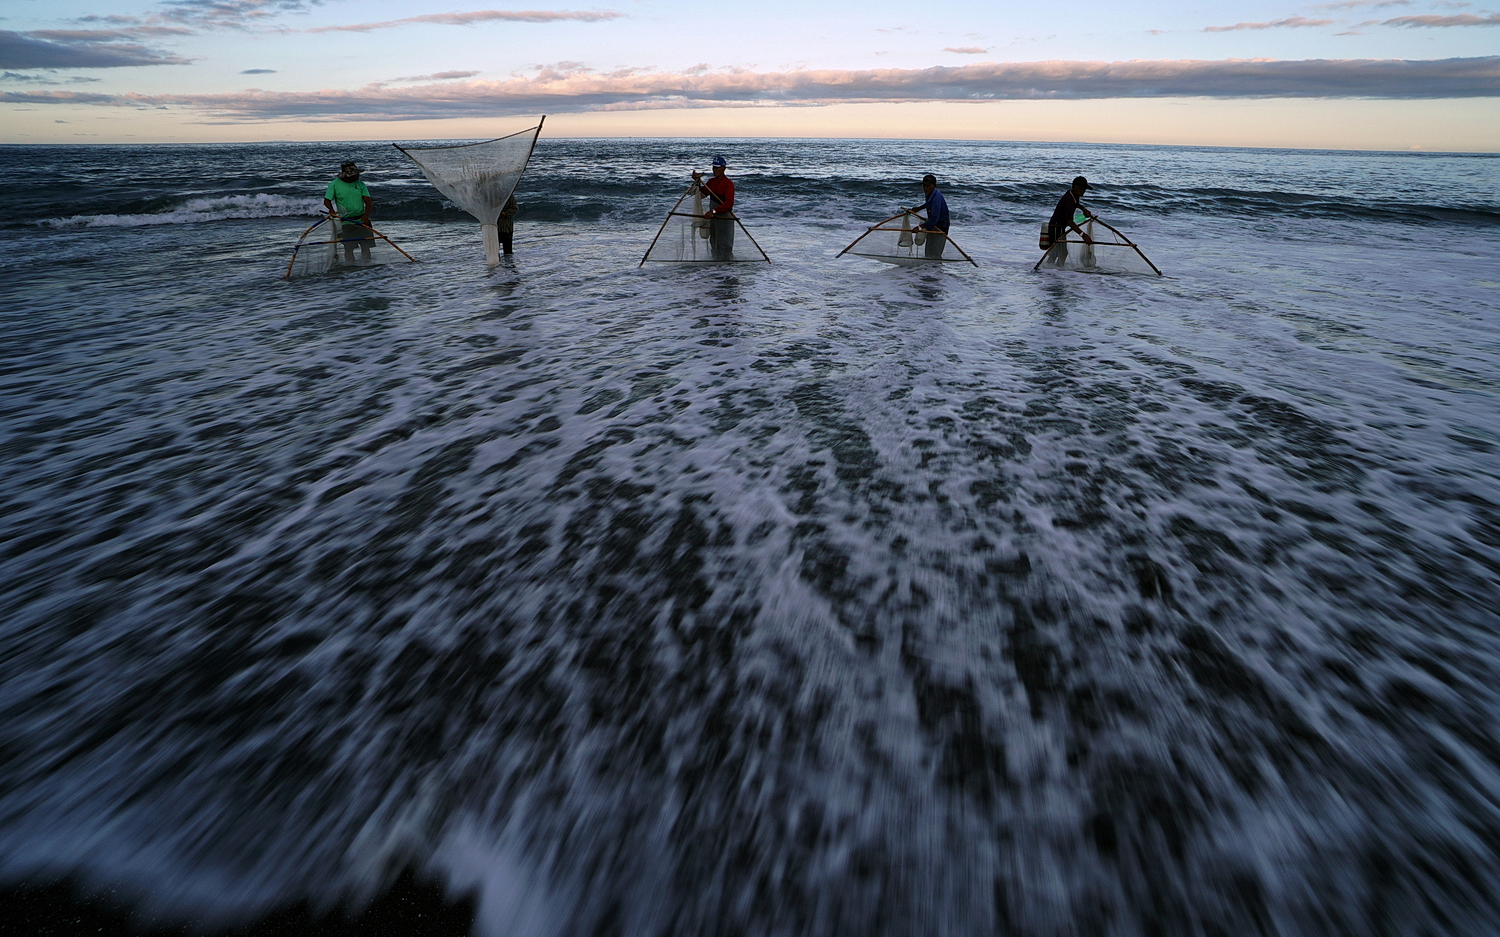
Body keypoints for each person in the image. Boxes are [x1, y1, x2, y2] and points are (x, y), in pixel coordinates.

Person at [323, 160, 374, 260]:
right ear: (348, 175)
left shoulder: (360, 184)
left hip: (362, 220)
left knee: (366, 246)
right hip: (346, 222)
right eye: (356, 174)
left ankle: (367, 267)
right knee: (349, 248)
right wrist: (331, 210)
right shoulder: (334, 184)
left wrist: (366, 216)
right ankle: (351, 269)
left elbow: (368, 202)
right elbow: (327, 201)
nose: (358, 176)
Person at [691, 156, 735, 261]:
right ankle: (715, 270)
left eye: (717, 167)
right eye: (714, 167)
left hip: (725, 219)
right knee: (714, 244)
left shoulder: (728, 184)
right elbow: (701, 195)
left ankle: (728, 270)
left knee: (724, 245)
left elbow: (729, 204)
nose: (714, 170)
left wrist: (713, 211)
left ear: (724, 168)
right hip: (714, 219)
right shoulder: (711, 182)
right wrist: (697, 182)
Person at [1046, 175, 1094, 265]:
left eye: (1084, 189)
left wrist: (1084, 209)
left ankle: (1050, 270)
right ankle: (1055, 270)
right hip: (1056, 227)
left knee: (1056, 252)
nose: (1083, 192)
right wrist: (1083, 235)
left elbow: (1076, 204)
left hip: (1058, 227)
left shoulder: (1073, 195)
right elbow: (1069, 221)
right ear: (1075, 187)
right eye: (1082, 189)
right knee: (1061, 253)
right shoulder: (1068, 199)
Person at [908, 174, 949, 259]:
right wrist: (919, 208)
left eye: (928, 185)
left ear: (934, 186)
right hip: (933, 224)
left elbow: (934, 218)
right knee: (929, 252)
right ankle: (929, 271)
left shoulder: (936, 199)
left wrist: (919, 228)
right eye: (924, 185)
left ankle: (936, 271)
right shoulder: (930, 193)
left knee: (935, 253)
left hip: (941, 226)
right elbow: (928, 204)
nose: (925, 188)